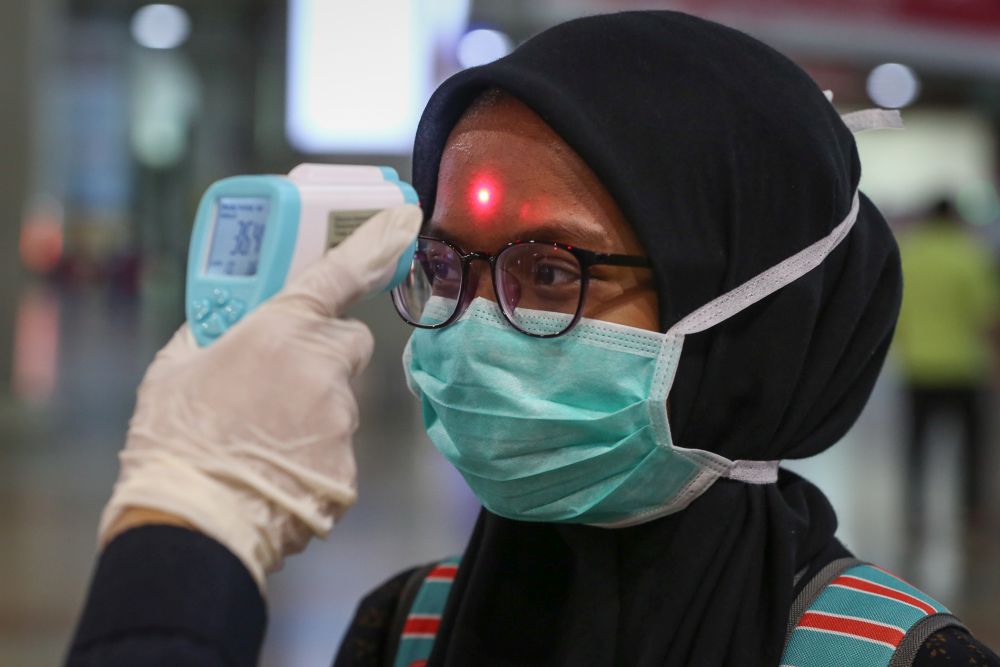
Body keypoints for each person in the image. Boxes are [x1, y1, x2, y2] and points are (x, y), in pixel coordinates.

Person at [67, 11, 999, 667]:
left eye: (550, 272)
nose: (472, 326)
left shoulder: (890, 653)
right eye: (443, 267)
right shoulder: (401, 628)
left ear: (748, 317)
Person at [894, 198, 999, 528]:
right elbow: (987, 316)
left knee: (916, 443)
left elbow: (896, 312)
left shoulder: (910, 257)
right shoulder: (970, 256)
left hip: (918, 367)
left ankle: (915, 509)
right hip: (963, 368)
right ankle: (971, 512)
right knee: (971, 447)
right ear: (955, 219)